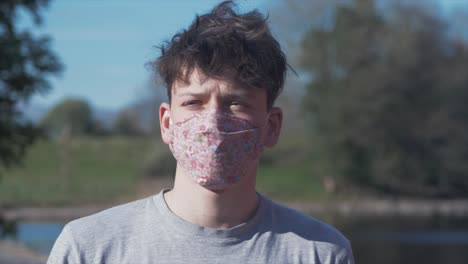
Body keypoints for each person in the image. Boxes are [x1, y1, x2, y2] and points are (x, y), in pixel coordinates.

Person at [47, 1, 354, 263]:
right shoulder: (88, 248)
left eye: (235, 103)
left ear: (271, 127)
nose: (212, 124)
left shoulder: (320, 252)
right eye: (193, 102)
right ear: (167, 123)